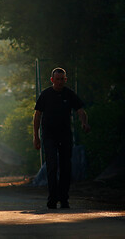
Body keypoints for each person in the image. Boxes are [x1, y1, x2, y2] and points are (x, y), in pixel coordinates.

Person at [33, 67, 90, 209]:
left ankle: (64, 198)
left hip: (65, 135)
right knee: (52, 165)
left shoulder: (69, 94)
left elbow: (81, 110)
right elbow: (37, 115)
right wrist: (36, 136)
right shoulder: (45, 94)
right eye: (57, 79)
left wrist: (84, 122)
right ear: (52, 80)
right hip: (49, 135)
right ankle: (52, 198)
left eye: (62, 79)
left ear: (65, 79)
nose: (59, 82)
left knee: (66, 166)